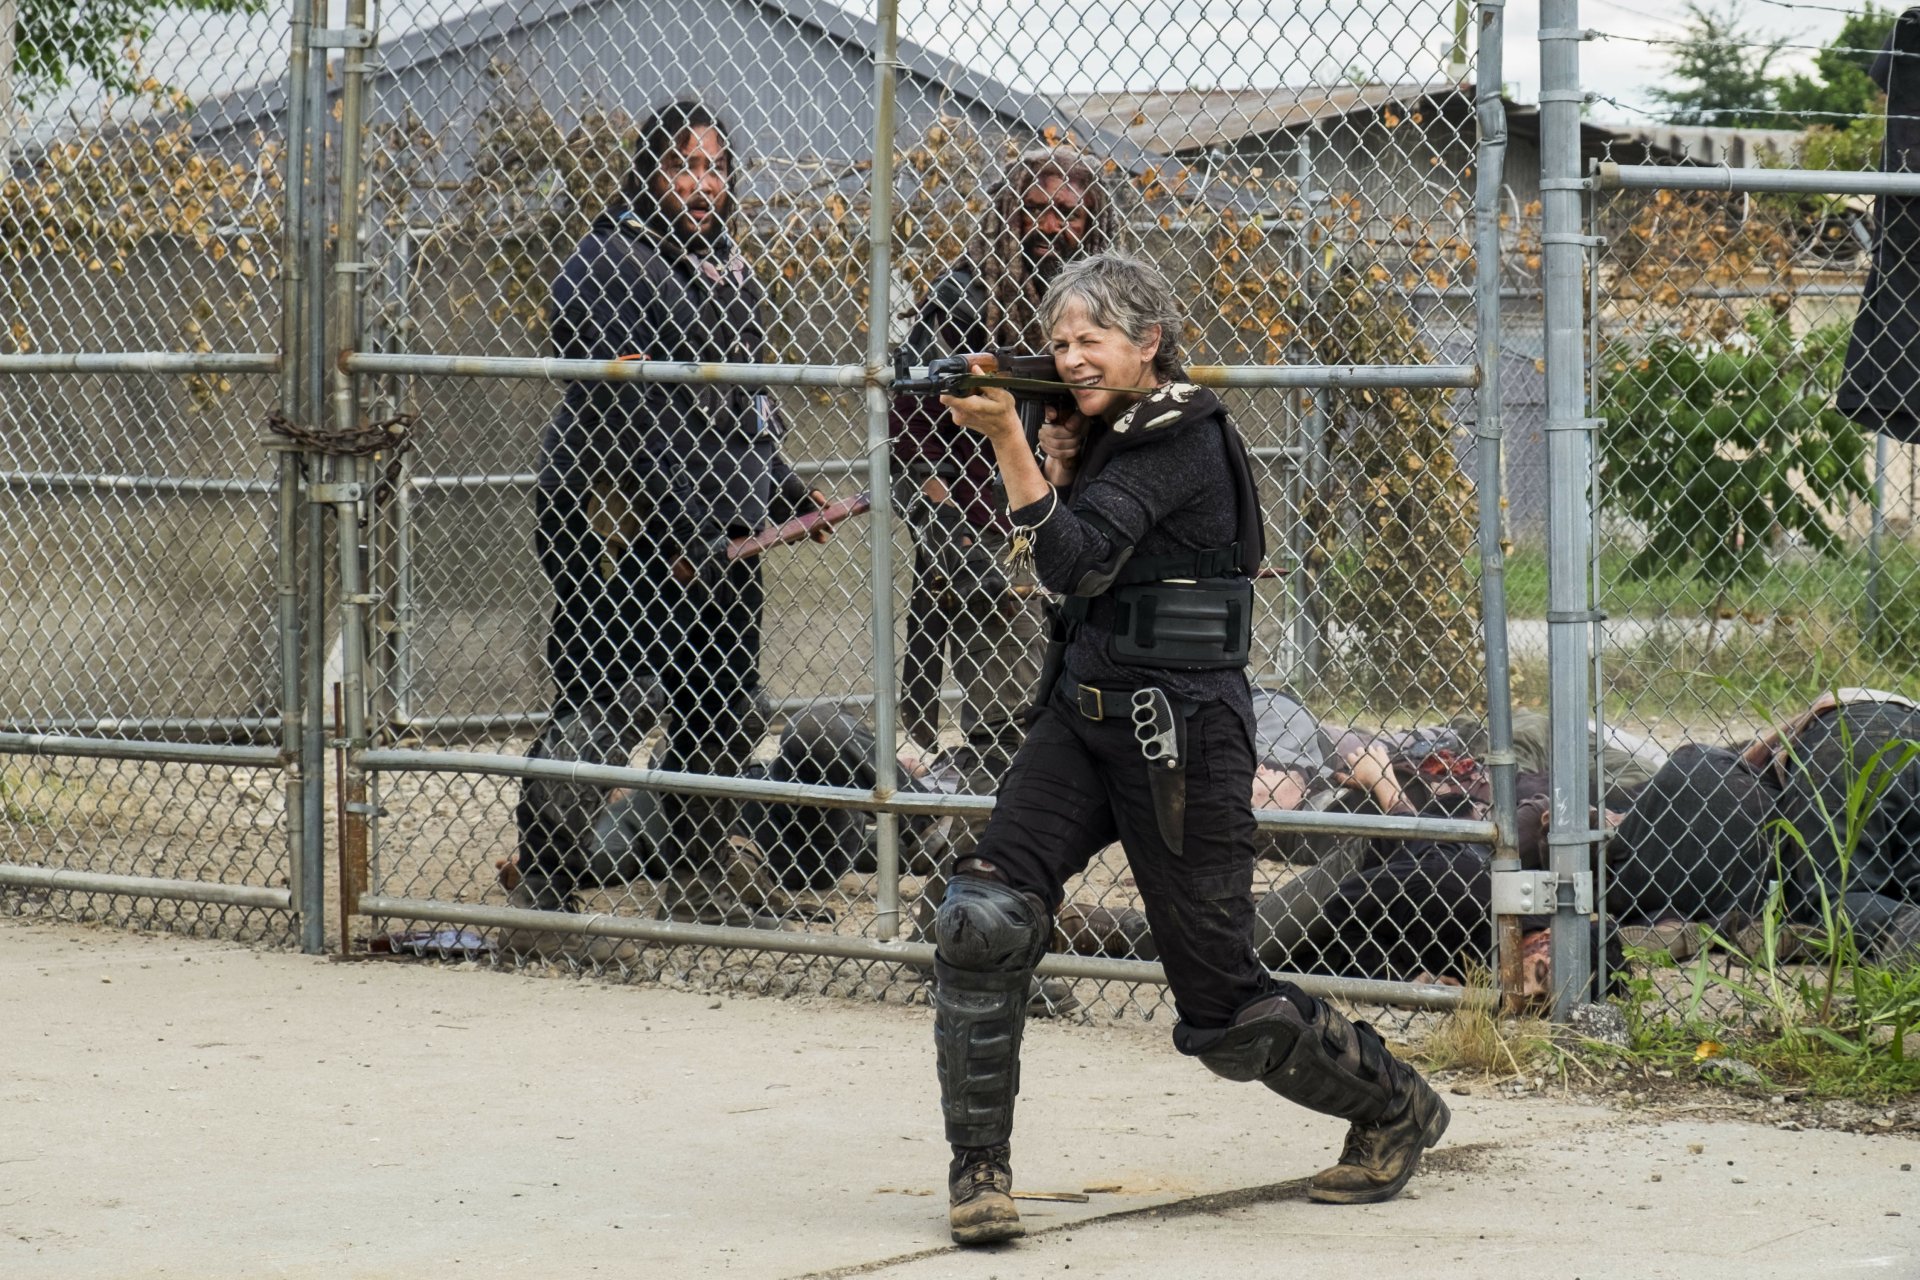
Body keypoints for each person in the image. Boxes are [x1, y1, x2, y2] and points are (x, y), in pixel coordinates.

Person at [928, 253, 1449, 1247]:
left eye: (1093, 340)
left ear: (1148, 342)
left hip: (1180, 737)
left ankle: (1392, 1104)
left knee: (1226, 1013)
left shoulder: (1181, 436)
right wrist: (1058, 458)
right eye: (1063, 340)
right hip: (1081, 718)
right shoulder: (1110, 433)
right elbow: (1082, 574)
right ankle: (980, 1174)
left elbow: (1071, 556)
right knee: (982, 916)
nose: (1072, 357)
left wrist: (1012, 446)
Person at [507, 99, 830, 938]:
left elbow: (742, 403)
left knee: (718, 702)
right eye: (684, 165)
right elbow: (630, 413)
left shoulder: (722, 266)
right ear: (649, 170)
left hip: (720, 529)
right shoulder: (610, 258)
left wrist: (784, 493)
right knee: (608, 697)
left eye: (717, 168)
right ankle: (542, 887)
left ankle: (696, 878)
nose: (702, 183)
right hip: (622, 520)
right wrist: (685, 529)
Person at [890, 147, 1116, 787]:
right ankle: (981, 853)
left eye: (1068, 214)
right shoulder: (966, 293)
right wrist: (942, 513)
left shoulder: (1112, 309)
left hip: (1084, 527)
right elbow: (907, 414)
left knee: (1074, 703)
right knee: (1015, 717)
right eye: (1037, 211)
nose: (1051, 227)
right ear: (1010, 218)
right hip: (987, 528)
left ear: (1093, 220)